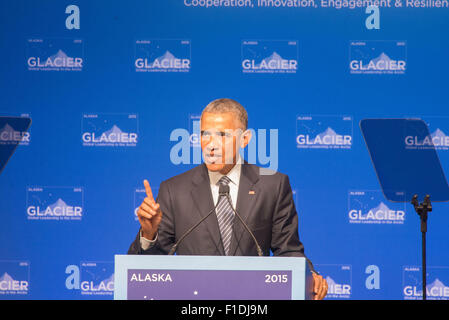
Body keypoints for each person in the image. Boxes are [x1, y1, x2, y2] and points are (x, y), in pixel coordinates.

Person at [128, 98, 328, 300]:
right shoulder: (174, 190)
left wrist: (309, 276)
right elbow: (149, 271)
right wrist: (148, 233)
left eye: (222, 135)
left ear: (245, 139)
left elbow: (288, 250)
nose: (211, 145)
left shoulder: (273, 185)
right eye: (205, 134)